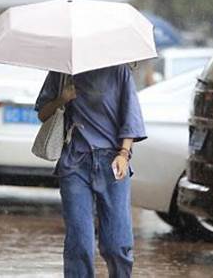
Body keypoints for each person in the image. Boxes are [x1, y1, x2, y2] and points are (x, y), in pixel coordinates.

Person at [35, 64, 147, 278]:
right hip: (75, 162)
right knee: (79, 242)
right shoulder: (62, 70)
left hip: (112, 162)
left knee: (117, 244)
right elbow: (42, 113)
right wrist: (63, 99)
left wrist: (124, 154)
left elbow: (131, 116)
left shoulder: (119, 71)